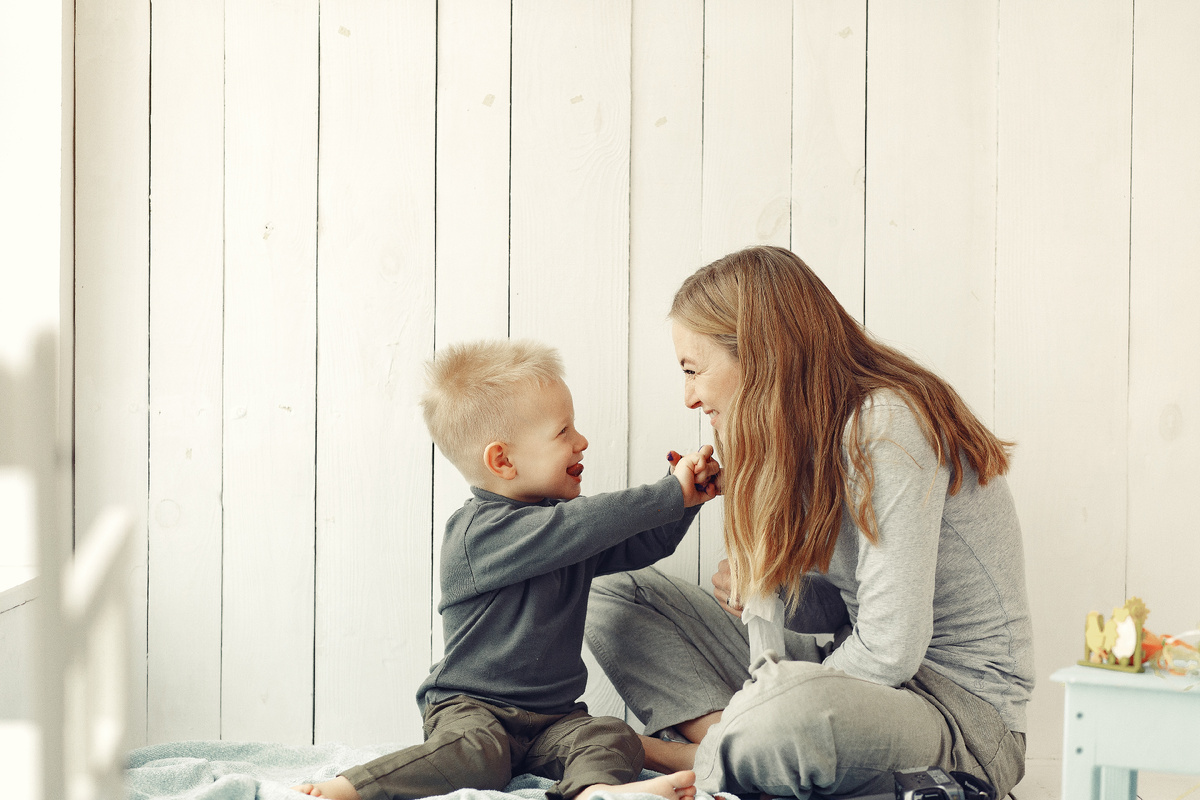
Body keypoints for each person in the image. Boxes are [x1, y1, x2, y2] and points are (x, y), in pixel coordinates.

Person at [585, 246, 1035, 799]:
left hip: (957, 718)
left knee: (787, 713)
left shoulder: (887, 423)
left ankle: (699, 753)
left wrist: (777, 698)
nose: (690, 397)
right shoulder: (810, 432)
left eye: (693, 371)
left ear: (758, 353)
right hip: (860, 686)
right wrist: (770, 590)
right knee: (613, 593)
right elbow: (849, 607)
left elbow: (891, 649)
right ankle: (740, 745)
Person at [293, 339, 718, 800]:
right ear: (502, 460)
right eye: (563, 432)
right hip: (473, 709)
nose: (581, 441)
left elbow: (642, 543)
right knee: (476, 753)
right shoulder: (480, 533)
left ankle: (595, 791)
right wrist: (667, 494)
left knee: (609, 734)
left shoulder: (562, 531)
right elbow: (579, 525)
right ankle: (347, 788)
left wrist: (687, 499)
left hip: (554, 719)